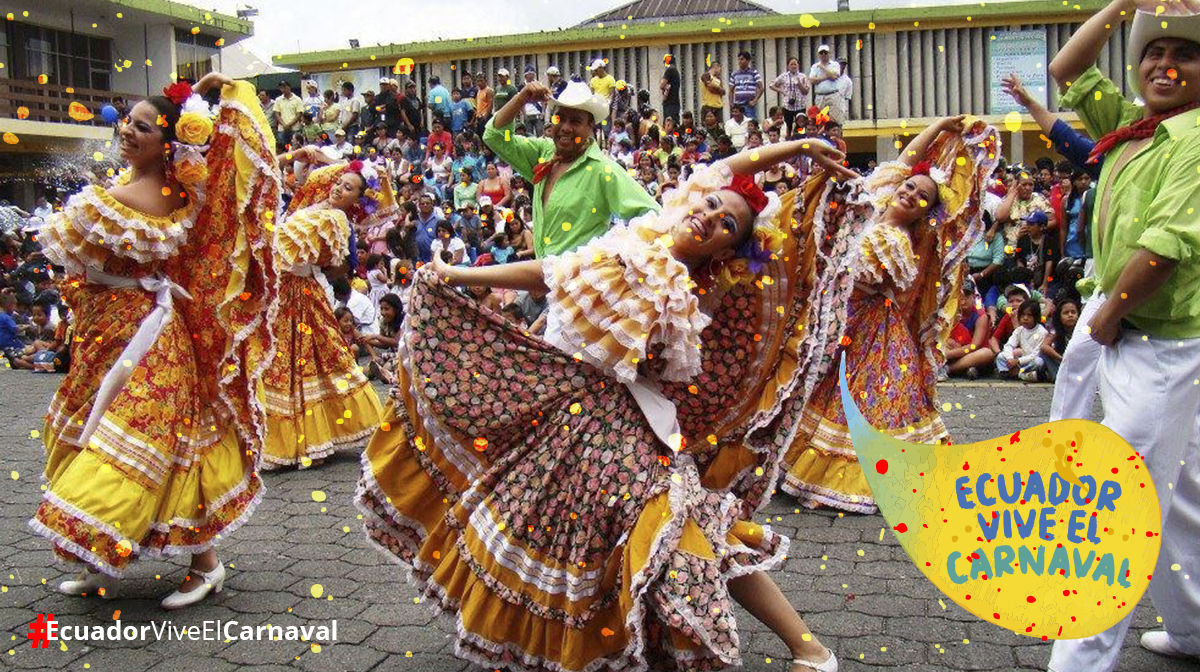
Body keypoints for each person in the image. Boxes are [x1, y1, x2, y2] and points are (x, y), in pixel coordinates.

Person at [357, 134, 853, 672]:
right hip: (564, 410)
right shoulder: (644, 234)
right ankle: (594, 643)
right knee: (560, 532)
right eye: (710, 204)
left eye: (727, 225)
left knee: (684, 527)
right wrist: (457, 275)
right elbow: (549, 273)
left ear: (726, 252)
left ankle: (809, 648)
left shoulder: (689, 290)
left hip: (618, 427)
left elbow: (607, 328)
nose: (710, 217)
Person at [31, 73, 279, 609]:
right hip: (107, 330)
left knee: (145, 445)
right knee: (102, 434)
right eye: (127, 121)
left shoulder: (145, 194)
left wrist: (222, 96)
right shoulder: (135, 185)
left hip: (142, 337)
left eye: (142, 126)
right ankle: (106, 562)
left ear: (169, 143)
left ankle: (205, 565)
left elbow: (238, 158)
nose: (127, 130)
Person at [1045, 1, 1200, 668]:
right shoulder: (1139, 128)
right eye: (1152, 54)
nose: (1164, 65)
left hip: (1154, 340)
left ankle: (1077, 662)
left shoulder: (1194, 139)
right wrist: (1125, 5)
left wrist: (1105, 318)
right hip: (1123, 329)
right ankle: (1194, 629)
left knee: (1114, 507)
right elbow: (1066, 66)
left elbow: (1166, 249)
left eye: (1184, 54)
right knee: (1177, 496)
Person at [780, 115, 1000, 513]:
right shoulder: (877, 201)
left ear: (926, 213)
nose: (911, 195)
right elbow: (905, 161)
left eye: (921, 198)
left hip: (871, 331)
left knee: (870, 403)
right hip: (839, 318)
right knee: (821, 391)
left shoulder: (900, 244)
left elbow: (864, 281)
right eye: (910, 187)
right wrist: (938, 128)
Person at [260, 162, 385, 470]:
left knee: (304, 360)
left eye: (348, 188)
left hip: (301, 294)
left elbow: (338, 264)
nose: (338, 188)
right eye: (339, 182)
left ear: (357, 200)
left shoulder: (337, 220)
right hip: (285, 291)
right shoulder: (314, 205)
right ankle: (289, 437)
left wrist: (311, 271)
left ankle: (302, 438)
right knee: (285, 362)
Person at [484, 79, 660, 258]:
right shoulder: (543, 153)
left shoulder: (602, 170)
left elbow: (653, 216)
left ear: (590, 127)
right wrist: (521, 99)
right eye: (560, 118)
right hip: (544, 281)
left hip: (580, 282)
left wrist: (616, 255)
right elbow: (496, 136)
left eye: (575, 121)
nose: (565, 128)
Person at [994, 299, 1048, 381]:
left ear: (1036, 317)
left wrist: (1018, 361)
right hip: (1019, 360)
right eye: (1023, 315)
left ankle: (1016, 374)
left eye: (1029, 315)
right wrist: (1009, 358)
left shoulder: (1042, 332)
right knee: (1001, 356)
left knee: (1038, 362)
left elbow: (1036, 354)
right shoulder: (1019, 330)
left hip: (1029, 361)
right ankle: (1021, 374)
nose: (1025, 318)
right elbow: (1009, 345)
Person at [1040, 292, 1079, 382]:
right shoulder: (1055, 331)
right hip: (1061, 362)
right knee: (1044, 354)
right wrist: (1062, 359)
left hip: (1077, 364)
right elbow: (1044, 346)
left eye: (1073, 312)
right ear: (1059, 317)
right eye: (1066, 313)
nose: (1070, 315)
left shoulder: (1081, 331)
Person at [772, 57, 811, 136]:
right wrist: (782, 91)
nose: (793, 66)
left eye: (795, 64)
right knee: (788, 125)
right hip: (788, 106)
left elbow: (806, 91)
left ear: (798, 65)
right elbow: (772, 85)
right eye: (791, 64)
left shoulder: (803, 76)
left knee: (800, 125)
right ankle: (789, 139)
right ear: (788, 66)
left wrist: (799, 83)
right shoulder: (784, 76)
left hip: (800, 105)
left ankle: (800, 138)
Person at [809, 46, 843, 123]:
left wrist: (823, 68)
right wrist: (827, 76)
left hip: (833, 95)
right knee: (820, 120)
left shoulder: (835, 64)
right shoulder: (815, 66)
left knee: (835, 119)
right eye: (821, 53)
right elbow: (812, 80)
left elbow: (835, 77)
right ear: (818, 55)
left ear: (829, 54)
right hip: (820, 96)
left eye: (825, 52)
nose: (823, 54)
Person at [729, 51, 764, 119]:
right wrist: (731, 103)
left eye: (742, 59)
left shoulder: (754, 73)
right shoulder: (734, 74)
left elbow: (761, 88)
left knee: (750, 123)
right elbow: (731, 90)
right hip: (738, 105)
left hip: (749, 105)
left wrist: (755, 100)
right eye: (739, 59)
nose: (740, 61)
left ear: (748, 60)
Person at [660, 54, 681, 123]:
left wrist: (664, 86)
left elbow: (662, 85)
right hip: (674, 102)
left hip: (670, 103)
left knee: (669, 123)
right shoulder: (675, 70)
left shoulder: (670, 69)